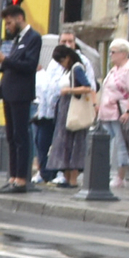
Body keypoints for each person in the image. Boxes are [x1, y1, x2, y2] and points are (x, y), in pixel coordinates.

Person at [0, 0, 42, 193]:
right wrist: (0, 63)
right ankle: (12, 176)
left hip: (21, 93)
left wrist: (5, 60)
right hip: (9, 91)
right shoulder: (17, 40)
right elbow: (12, 65)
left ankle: (21, 179)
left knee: (20, 137)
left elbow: (29, 66)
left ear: (19, 18)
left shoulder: (33, 38)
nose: (7, 26)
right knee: (11, 137)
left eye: (9, 22)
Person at [45, 42, 94, 188]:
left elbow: (87, 87)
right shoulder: (67, 71)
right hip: (64, 109)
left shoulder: (77, 68)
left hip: (72, 108)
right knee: (64, 143)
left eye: (61, 61)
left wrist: (69, 91)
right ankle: (66, 178)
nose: (61, 65)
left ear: (67, 57)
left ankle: (72, 178)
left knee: (73, 142)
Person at [97, 41, 129, 185]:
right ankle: (105, 172)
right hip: (107, 113)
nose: (110, 55)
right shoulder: (114, 70)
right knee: (107, 144)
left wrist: (128, 111)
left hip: (121, 112)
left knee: (121, 144)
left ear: (123, 53)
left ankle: (119, 177)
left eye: (113, 52)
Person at [31, 48, 65, 183]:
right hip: (42, 111)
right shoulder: (50, 68)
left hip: (55, 110)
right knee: (40, 142)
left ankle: (57, 172)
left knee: (55, 142)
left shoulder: (47, 73)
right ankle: (43, 171)